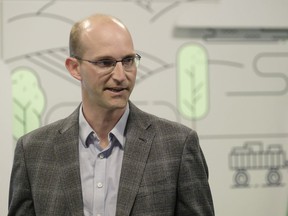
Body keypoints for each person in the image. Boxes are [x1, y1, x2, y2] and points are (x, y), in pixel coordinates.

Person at [8, 13, 214, 216]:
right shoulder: (33, 151)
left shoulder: (177, 145)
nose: (120, 76)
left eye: (128, 61)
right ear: (74, 68)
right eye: (105, 63)